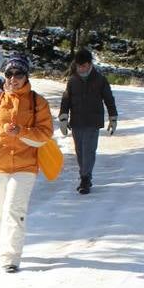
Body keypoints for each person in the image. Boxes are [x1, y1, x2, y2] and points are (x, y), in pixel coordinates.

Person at [0, 53, 53, 273]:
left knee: (13, 210)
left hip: (25, 166)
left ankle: (11, 256)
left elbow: (45, 133)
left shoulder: (38, 102)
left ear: (26, 76)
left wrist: (22, 132)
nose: (13, 78)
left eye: (18, 73)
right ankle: (2, 249)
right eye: (9, 73)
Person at [58, 47, 118, 195]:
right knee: (80, 152)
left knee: (89, 151)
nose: (81, 69)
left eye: (84, 66)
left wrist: (113, 117)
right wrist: (63, 117)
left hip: (93, 121)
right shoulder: (72, 81)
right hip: (77, 121)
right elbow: (66, 100)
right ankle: (84, 176)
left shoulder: (100, 80)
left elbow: (109, 99)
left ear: (90, 64)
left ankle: (85, 179)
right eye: (78, 66)